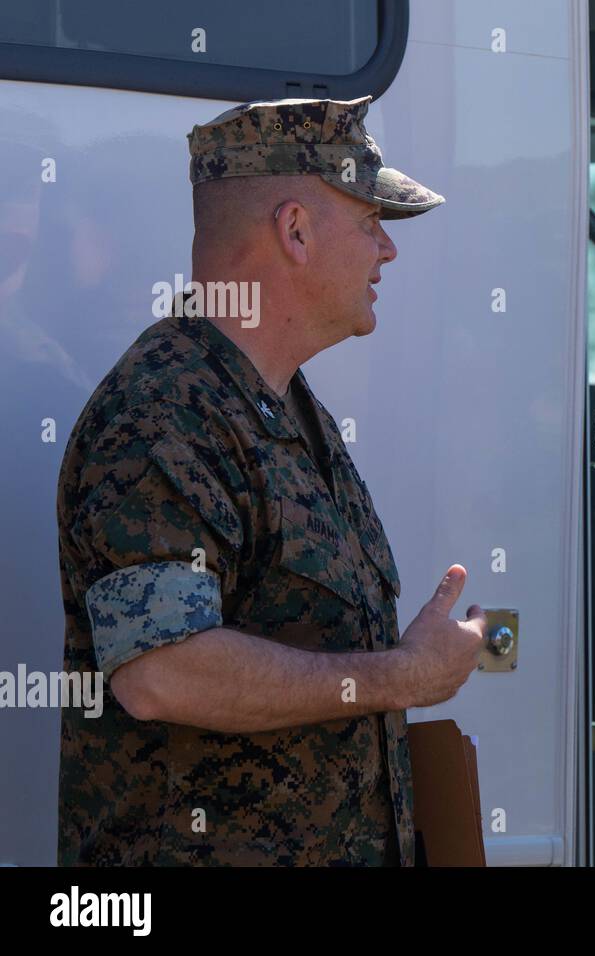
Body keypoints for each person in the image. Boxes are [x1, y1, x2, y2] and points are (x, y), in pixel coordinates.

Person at [56, 96, 483, 865]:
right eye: (369, 221)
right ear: (294, 230)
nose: (387, 250)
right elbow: (163, 674)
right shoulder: (165, 411)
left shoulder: (280, 403)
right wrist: (401, 677)